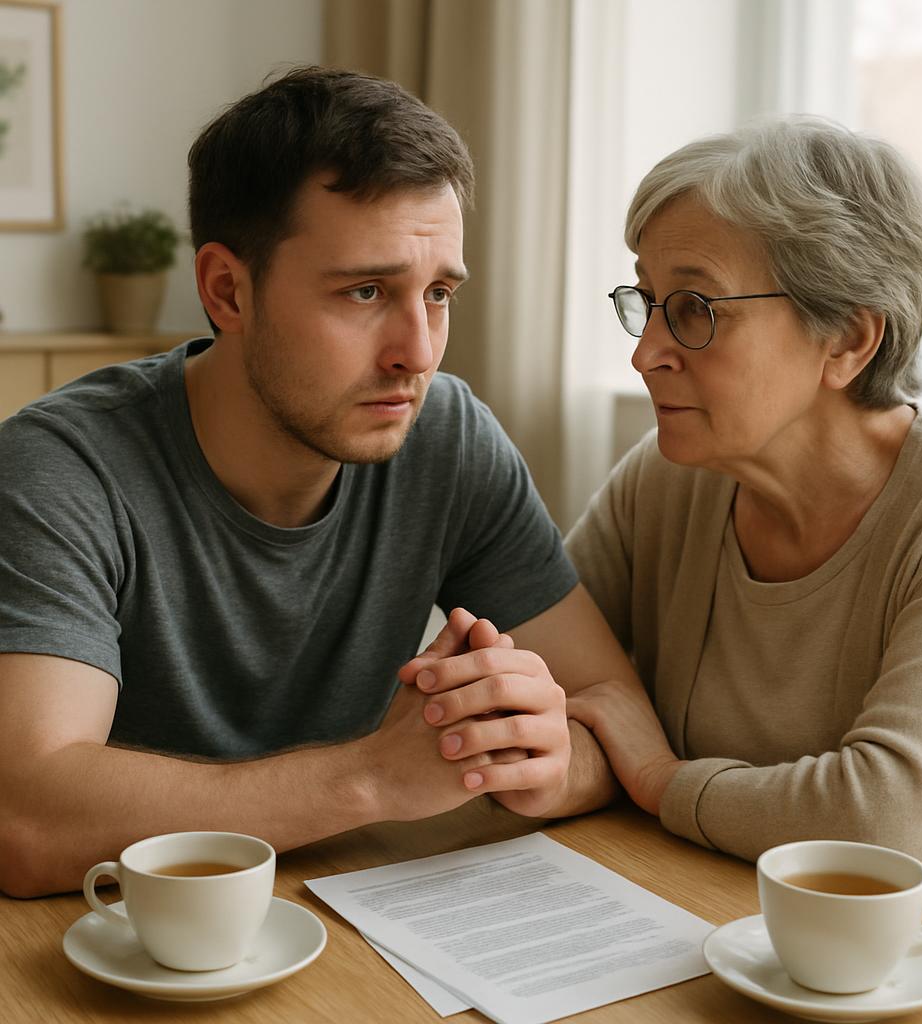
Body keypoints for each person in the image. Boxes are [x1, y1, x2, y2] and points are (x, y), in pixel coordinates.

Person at [0, 67, 630, 899]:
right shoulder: (60, 470)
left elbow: (610, 708)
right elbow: (25, 822)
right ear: (228, 289)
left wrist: (548, 764)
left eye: (438, 293)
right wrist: (371, 779)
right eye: (366, 291)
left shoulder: (448, 437)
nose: (418, 352)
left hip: (343, 911)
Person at [565, 117, 922, 892]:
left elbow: (889, 823)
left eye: (695, 310)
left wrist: (657, 778)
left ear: (847, 339)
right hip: (717, 907)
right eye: (647, 301)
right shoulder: (669, 478)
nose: (645, 353)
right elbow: (534, 674)